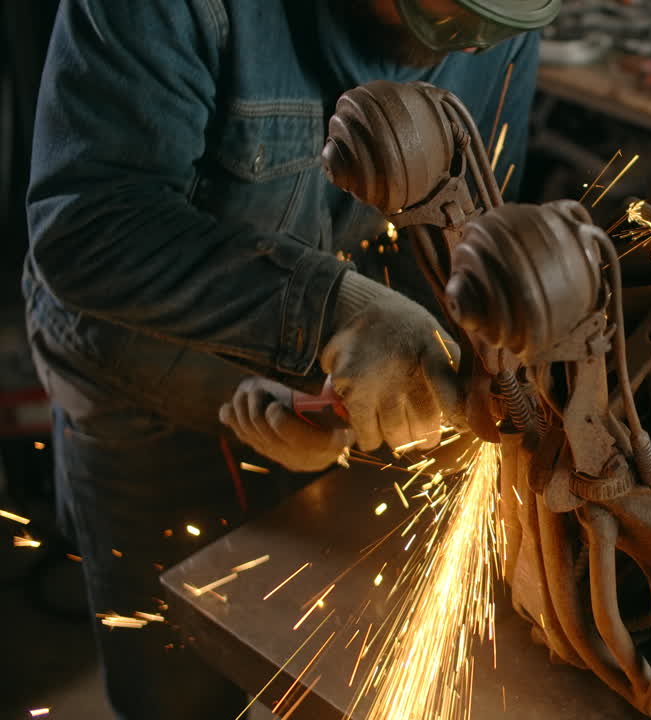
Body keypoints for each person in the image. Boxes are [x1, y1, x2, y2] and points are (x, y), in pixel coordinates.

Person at [22, 1, 558, 717]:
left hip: (323, 366)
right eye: (445, 17)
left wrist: (365, 376)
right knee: (176, 682)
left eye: (488, 27)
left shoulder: (505, 17)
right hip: (137, 382)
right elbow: (89, 227)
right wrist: (335, 315)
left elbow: (472, 221)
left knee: (311, 655)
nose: (468, 46)